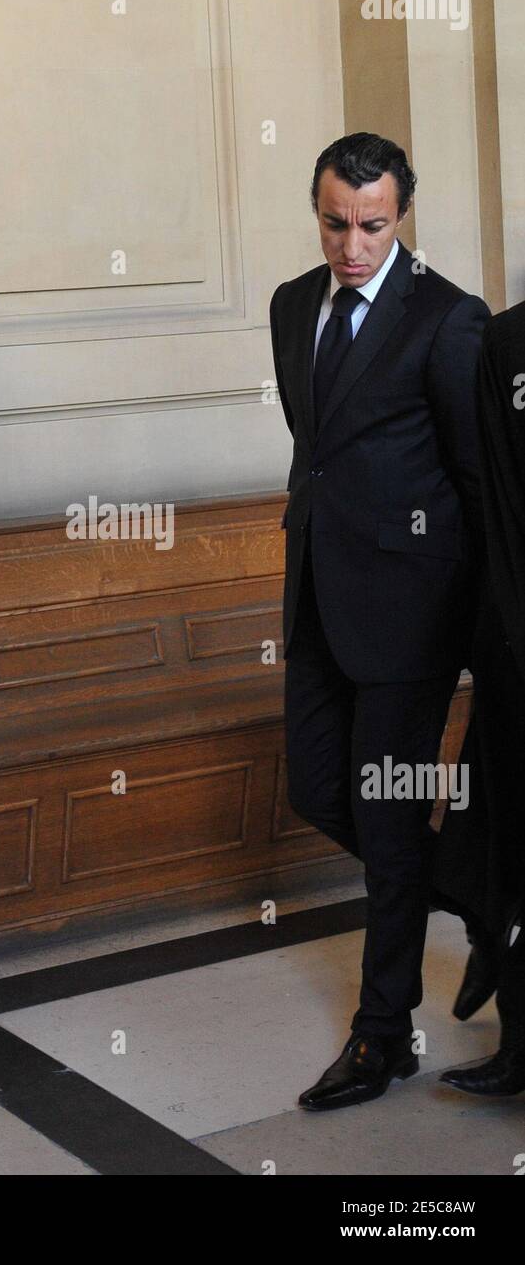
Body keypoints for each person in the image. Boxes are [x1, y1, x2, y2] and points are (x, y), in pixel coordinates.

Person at [270, 132, 489, 1111]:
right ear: (314, 210)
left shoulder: (446, 319)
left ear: (398, 216)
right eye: (332, 222)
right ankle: (481, 894)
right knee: (316, 789)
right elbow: (312, 453)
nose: (349, 245)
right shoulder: (287, 307)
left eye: (370, 224)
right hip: (316, 595)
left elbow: (474, 477)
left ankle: (380, 1034)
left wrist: (476, 623)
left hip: (409, 616)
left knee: (389, 828)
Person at [436, 301, 525, 1095]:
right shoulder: (505, 340)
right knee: (510, 839)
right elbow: (488, 499)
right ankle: (519, 1043)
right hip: (516, 640)